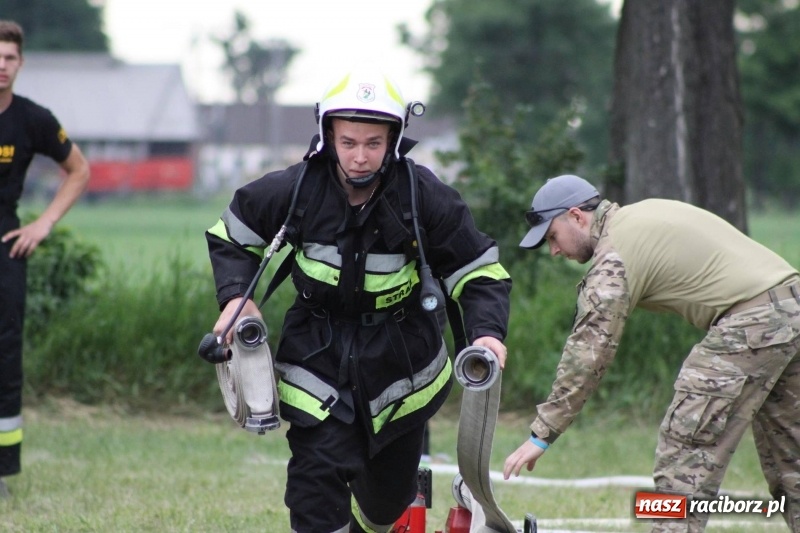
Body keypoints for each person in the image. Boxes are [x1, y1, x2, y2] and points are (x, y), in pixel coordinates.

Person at [205, 66, 512, 533]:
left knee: (385, 506)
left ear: (394, 139)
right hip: (316, 357)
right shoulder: (296, 189)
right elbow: (232, 235)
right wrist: (235, 300)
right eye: (348, 142)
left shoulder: (422, 195)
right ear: (328, 135)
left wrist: (488, 333)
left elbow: (480, 270)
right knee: (314, 485)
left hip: (402, 367)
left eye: (373, 144)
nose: (360, 157)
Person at [503, 174, 800, 532]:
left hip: (753, 323)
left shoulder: (614, 255)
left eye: (552, 236)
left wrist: (542, 433)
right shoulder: (640, 216)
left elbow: (589, 352)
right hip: (791, 306)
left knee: (683, 455)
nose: (554, 250)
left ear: (577, 216)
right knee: (791, 460)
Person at [0, 20, 91, 498]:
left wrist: (44, 224)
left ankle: (2, 469)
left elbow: (79, 170)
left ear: (21, 63)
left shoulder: (33, 118)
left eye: (9, 58)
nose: (1, 66)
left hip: (6, 246)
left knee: (4, 355)